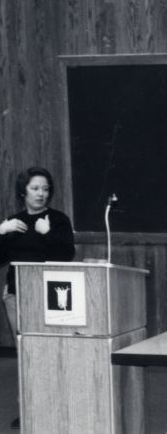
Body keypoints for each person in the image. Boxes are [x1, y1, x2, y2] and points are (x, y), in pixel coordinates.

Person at [0, 167, 75, 430]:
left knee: (51, 352)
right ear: (24, 191)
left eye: (45, 189)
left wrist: (47, 233)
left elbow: (67, 255)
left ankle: (56, 408)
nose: (41, 194)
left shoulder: (58, 220)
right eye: (35, 188)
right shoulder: (13, 222)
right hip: (17, 295)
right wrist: (1, 230)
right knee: (26, 353)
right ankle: (29, 409)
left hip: (51, 295)